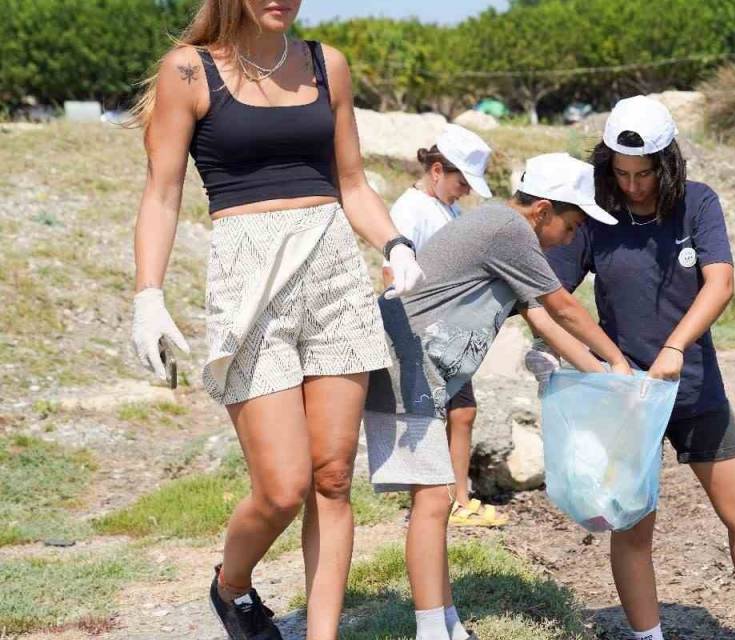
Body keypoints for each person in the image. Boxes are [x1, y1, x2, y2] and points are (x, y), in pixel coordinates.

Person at [128, 1, 424, 638]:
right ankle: (230, 586)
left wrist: (397, 245)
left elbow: (352, 182)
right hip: (248, 278)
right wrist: (147, 296)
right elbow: (162, 192)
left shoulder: (327, 65)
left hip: (335, 271)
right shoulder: (188, 71)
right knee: (283, 487)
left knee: (334, 476)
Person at [530, 96, 735, 640]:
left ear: (668, 163)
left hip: (696, 389)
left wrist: (676, 348)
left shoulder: (697, 204)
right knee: (631, 529)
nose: (632, 185)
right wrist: (591, 362)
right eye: (621, 172)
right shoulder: (595, 216)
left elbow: (719, 282)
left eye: (644, 173)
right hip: (627, 399)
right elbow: (550, 298)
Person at [364, 153, 633, 640]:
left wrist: (605, 376)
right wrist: (616, 361)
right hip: (407, 364)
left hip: (426, 368)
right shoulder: (507, 228)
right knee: (431, 501)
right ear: (543, 211)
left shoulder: (504, 232)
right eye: (571, 227)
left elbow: (543, 320)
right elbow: (563, 307)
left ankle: (446, 622)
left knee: (437, 499)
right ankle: (431, 630)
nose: (571, 240)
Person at [382, 124, 508, 527]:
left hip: (450, 332)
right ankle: (439, 501)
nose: (465, 190)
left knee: (463, 412)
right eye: (460, 181)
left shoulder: (448, 209)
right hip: (422, 333)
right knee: (437, 416)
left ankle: (458, 497)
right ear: (437, 170)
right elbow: (392, 274)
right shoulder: (410, 210)